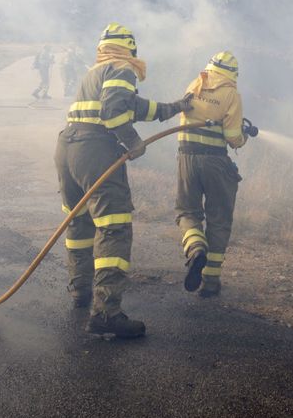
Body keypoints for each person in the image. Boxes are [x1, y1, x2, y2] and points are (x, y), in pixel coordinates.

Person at [58, 23, 193, 338]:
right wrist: (133, 142)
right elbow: (114, 111)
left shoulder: (96, 72)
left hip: (66, 147)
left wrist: (176, 107)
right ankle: (106, 313)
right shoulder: (122, 68)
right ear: (130, 48)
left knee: (78, 221)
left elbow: (135, 107)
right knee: (114, 226)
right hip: (94, 149)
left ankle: (80, 290)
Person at [174, 51, 252, 298]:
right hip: (215, 162)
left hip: (186, 158)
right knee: (218, 219)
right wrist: (244, 136)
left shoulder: (195, 84)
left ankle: (195, 248)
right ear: (232, 73)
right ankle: (210, 281)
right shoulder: (231, 94)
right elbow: (233, 137)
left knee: (187, 211)